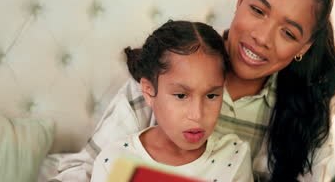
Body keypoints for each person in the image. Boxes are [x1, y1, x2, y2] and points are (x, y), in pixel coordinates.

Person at [52, 0, 335, 182]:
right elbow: (87, 169)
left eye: (289, 33)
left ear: (304, 47)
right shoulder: (163, 75)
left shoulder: (307, 112)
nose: (261, 37)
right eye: (258, 10)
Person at [90, 20, 253, 182]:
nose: (197, 115)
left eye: (211, 96)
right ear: (149, 91)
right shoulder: (115, 162)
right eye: (181, 96)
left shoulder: (233, 158)